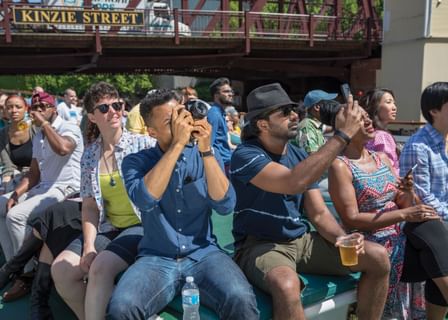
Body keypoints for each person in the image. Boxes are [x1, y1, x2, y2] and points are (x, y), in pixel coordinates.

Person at [230, 83, 390, 320]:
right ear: (262, 124)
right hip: (260, 245)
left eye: (293, 110)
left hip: (301, 240)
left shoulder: (298, 155)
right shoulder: (246, 155)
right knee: (286, 285)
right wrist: (342, 135)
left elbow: (318, 213)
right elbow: (292, 182)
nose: (294, 115)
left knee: (378, 257)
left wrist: (341, 237)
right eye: (284, 112)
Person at [106, 89, 259, 320]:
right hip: (156, 257)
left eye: (182, 115)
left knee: (241, 298)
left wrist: (206, 151)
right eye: (171, 122)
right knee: (121, 307)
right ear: (152, 132)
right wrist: (177, 145)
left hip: (204, 253)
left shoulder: (205, 154)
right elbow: (145, 199)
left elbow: (226, 205)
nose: (181, 124)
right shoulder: (136, 161)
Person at [51, 82, 155, 320]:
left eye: (117, 105)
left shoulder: (143, 145)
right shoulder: (90, 154)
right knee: (62, 270)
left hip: (141, 227)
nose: (114, 111)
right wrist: (88, 246)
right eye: (105, 108)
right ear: (92, 116)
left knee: (100, 268)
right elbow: (89, 206)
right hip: (108, 228)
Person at [328, 108, 440, 319]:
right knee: (432, 249)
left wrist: (407, 192)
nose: (369, 121)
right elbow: (351, 219)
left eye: (367, 116)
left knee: (434, 232)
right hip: (370, 240)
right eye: (360, 119)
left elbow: (400, 202)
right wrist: (405, 214)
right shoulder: (340, 166)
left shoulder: (381, 158)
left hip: (400, 233)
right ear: (346, 128)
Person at [0, 91, 83, 301]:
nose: (38, 112)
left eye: (43, 107)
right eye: (35, 108)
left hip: (66, 187)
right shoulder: (38, 136)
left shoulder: (68, 127)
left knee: (16, 216)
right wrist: (16, 193)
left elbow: (64, 148)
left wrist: (45, 125)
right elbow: (35, 174)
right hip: (44, 186)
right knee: (2, 206)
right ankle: (13, 268)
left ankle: (27, 275)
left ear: (53, 108)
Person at [400, 82, 448, 319]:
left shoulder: (445, 141)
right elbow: (421, 196)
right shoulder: (418, 146)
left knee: (438, 270)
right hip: (421, 219)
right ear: (434, 111)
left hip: (440, 219)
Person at [0, 199, 82, 318]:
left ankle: (11, 272)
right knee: (54, 213)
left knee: (54, 215)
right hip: (87, 200)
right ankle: (38, 302)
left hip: (108, 212)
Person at [0, 94, 36, 193]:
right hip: (15, 177)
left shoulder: (35, 129)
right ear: (5, 111)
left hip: (36, 178)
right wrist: (3, 188)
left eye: (18, 107)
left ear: (26, 108)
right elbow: (8, 166)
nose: (14, 110)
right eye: (9, 107)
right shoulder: (2, 134)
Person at [361, 88, 400, 174]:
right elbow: (389, 169)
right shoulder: (382, 136)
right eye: (388, 102)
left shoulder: (368, 134)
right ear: (375, 107)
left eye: (394, 103)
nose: (394, 107)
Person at [292, 89, 338, 154]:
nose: (331, 106)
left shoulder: (316, 124)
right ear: (317, 107)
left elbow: (330, 128)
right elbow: (312, 156)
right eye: (328, 104)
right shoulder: (307, 126)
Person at [207, 77, 234, 174]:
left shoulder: (220, 112)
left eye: (231, 91)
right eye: (226, 91)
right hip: (221, 164)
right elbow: (208, 144)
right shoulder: (214, 114)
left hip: (227, 161)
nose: (230, 94)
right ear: (216, 95)